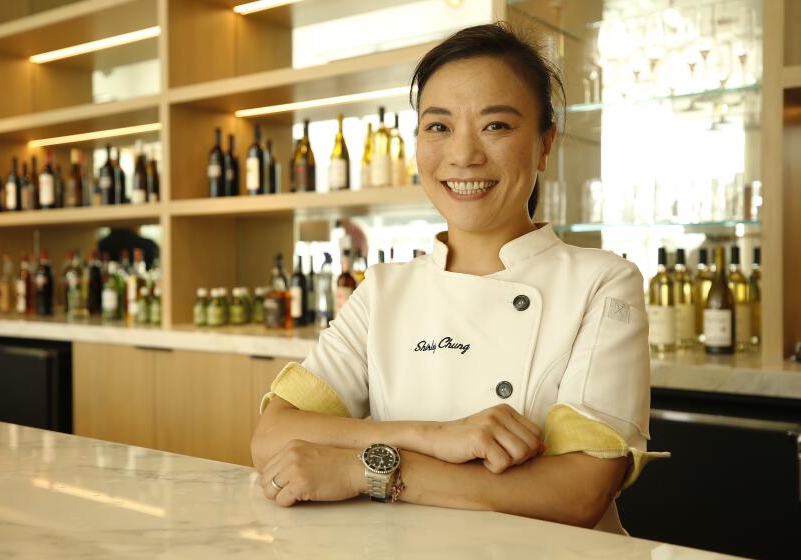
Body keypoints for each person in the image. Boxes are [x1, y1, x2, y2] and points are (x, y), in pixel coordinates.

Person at [251, 23, 667, 533]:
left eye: (496, 126)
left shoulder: (604, 283)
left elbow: (577, 492)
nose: (464, 155)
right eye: (439, 126)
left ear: (544, 144)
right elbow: (272, 434)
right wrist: (436, 436)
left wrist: (369, 468)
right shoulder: (383, 290)